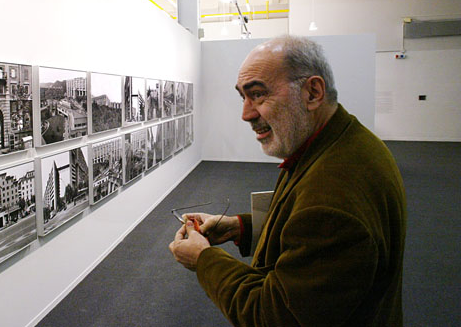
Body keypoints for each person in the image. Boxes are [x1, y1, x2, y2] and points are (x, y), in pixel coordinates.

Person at [169, 35, 406, 327]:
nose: (246, 114)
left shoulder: (332, 199)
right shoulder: (343, 143)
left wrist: (204, 259)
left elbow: (275, 316)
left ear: (312, 93)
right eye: (243, 97)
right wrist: (238, 227)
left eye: (258, 94)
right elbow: (306, 232)